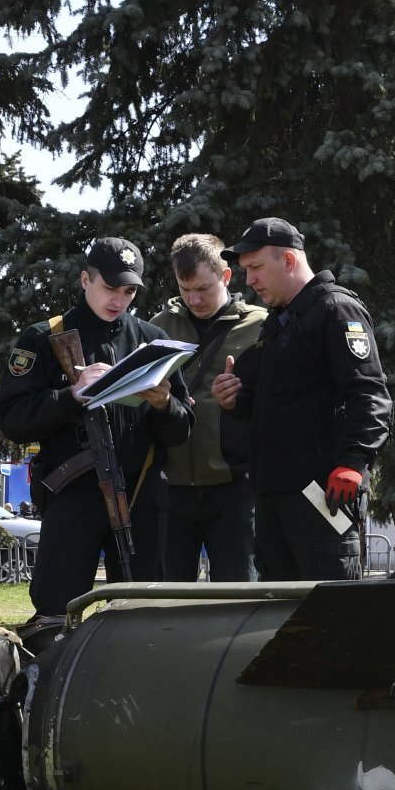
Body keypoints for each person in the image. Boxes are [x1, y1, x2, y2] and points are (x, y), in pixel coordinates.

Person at [0, 237, 194, 621]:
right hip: (74, 498)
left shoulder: (153, 342)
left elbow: (182, 431)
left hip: (140, 499)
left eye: (129, 291)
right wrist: (72, 395)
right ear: (85, 279)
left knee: (144, 615)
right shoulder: (44, 338)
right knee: (56, 612)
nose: (119, 300)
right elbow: (13, 419)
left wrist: (163, 404)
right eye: (110, 287)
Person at [209, 217, 390, 581]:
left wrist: (353, 462)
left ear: (289, 261)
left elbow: (370, 394)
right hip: (274, 496)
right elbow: (275, 404)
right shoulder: (279, 321)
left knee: (330, 614)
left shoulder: (337, 310)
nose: (250, 280)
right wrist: (235, 400)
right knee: (277, 616)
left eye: (256, 268)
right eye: (245, 270)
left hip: (322, 495)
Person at [151, 232, 268, 581]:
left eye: (203, 288)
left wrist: (242, 397)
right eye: (185, 289)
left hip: (235, 488)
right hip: (171, 489)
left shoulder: (261, 326)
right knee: (165, 597)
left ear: (226, 276)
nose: (194, 299)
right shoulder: (158, 328)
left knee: (237, 594)